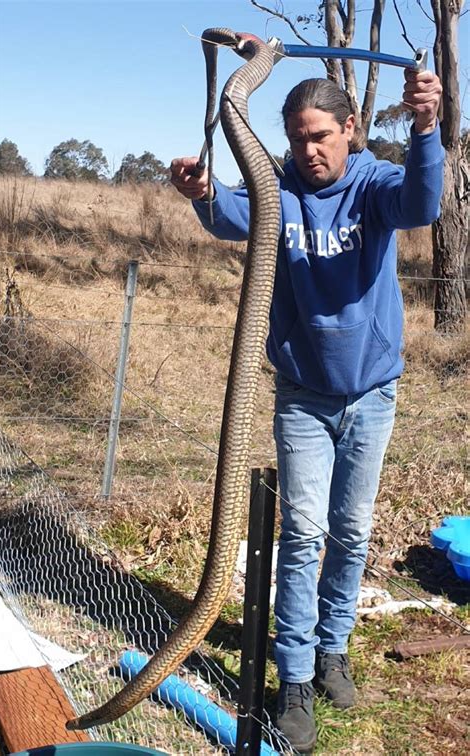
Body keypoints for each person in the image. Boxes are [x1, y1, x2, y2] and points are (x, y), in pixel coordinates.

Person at [171, 67, 443, 753]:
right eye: (296, 139)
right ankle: (293, 681)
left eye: (320, 136)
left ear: (349, 129)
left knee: (351, 533)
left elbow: (421, 205)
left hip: (373, 391)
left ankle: (333, 653)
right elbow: (236, 214)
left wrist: (426, 130)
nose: (308, 151)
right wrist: (203, 192)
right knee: (302, 536)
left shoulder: (374, 183)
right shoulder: (280, 187)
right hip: (303, 396)